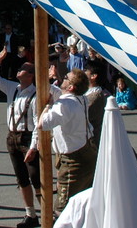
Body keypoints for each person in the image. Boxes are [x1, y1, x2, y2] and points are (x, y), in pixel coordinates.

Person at [0, 49, 40, 228]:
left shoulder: (35, 94)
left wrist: (33, 147)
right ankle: (30, 214)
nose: (19, 69)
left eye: (24, 68)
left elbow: (37, 123)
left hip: (27, 138)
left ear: (31, 75)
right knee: (21, 178)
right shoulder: (12, 88)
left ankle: (49, 212)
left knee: (36, 177)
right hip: (12, 137)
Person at [38, 68, 97, 215]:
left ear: (71, 87)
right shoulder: (80, 98)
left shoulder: (65, 104)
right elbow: (57, 91)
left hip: (74, 159)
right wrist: (52, 78)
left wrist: (47, 107)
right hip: (86, 151)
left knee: (62, 208)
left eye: (65, 78)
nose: (62, 79)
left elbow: (43, 124)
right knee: (82, 202)